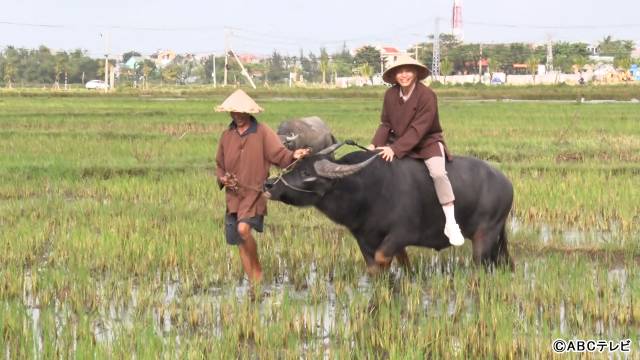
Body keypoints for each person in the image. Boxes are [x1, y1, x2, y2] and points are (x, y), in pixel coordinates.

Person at [367, 55, 465, 246]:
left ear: (416, 73)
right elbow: (385, 124)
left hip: (426, 142)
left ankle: (451, 222)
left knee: (438, 173)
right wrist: (374, 144)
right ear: (394, 75)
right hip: (398, 141)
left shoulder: (427, 95)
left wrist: (395, 149)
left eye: (408, 71)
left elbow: (419, 129)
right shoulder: (390, 95)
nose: (404, 75)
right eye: (399, 71)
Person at [215, 89, 309, 283]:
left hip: (254, 193)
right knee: (240, 243)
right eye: (233, 112)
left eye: (241, 112)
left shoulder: (262, 132)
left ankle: (257, 269)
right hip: (233, 196)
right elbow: (219, 164)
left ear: (248, 112)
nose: (237, 115)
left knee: (243, 230)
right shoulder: (227, 135)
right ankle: (254, 285)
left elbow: (279, 154)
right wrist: (222, 178)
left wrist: (293, 156)